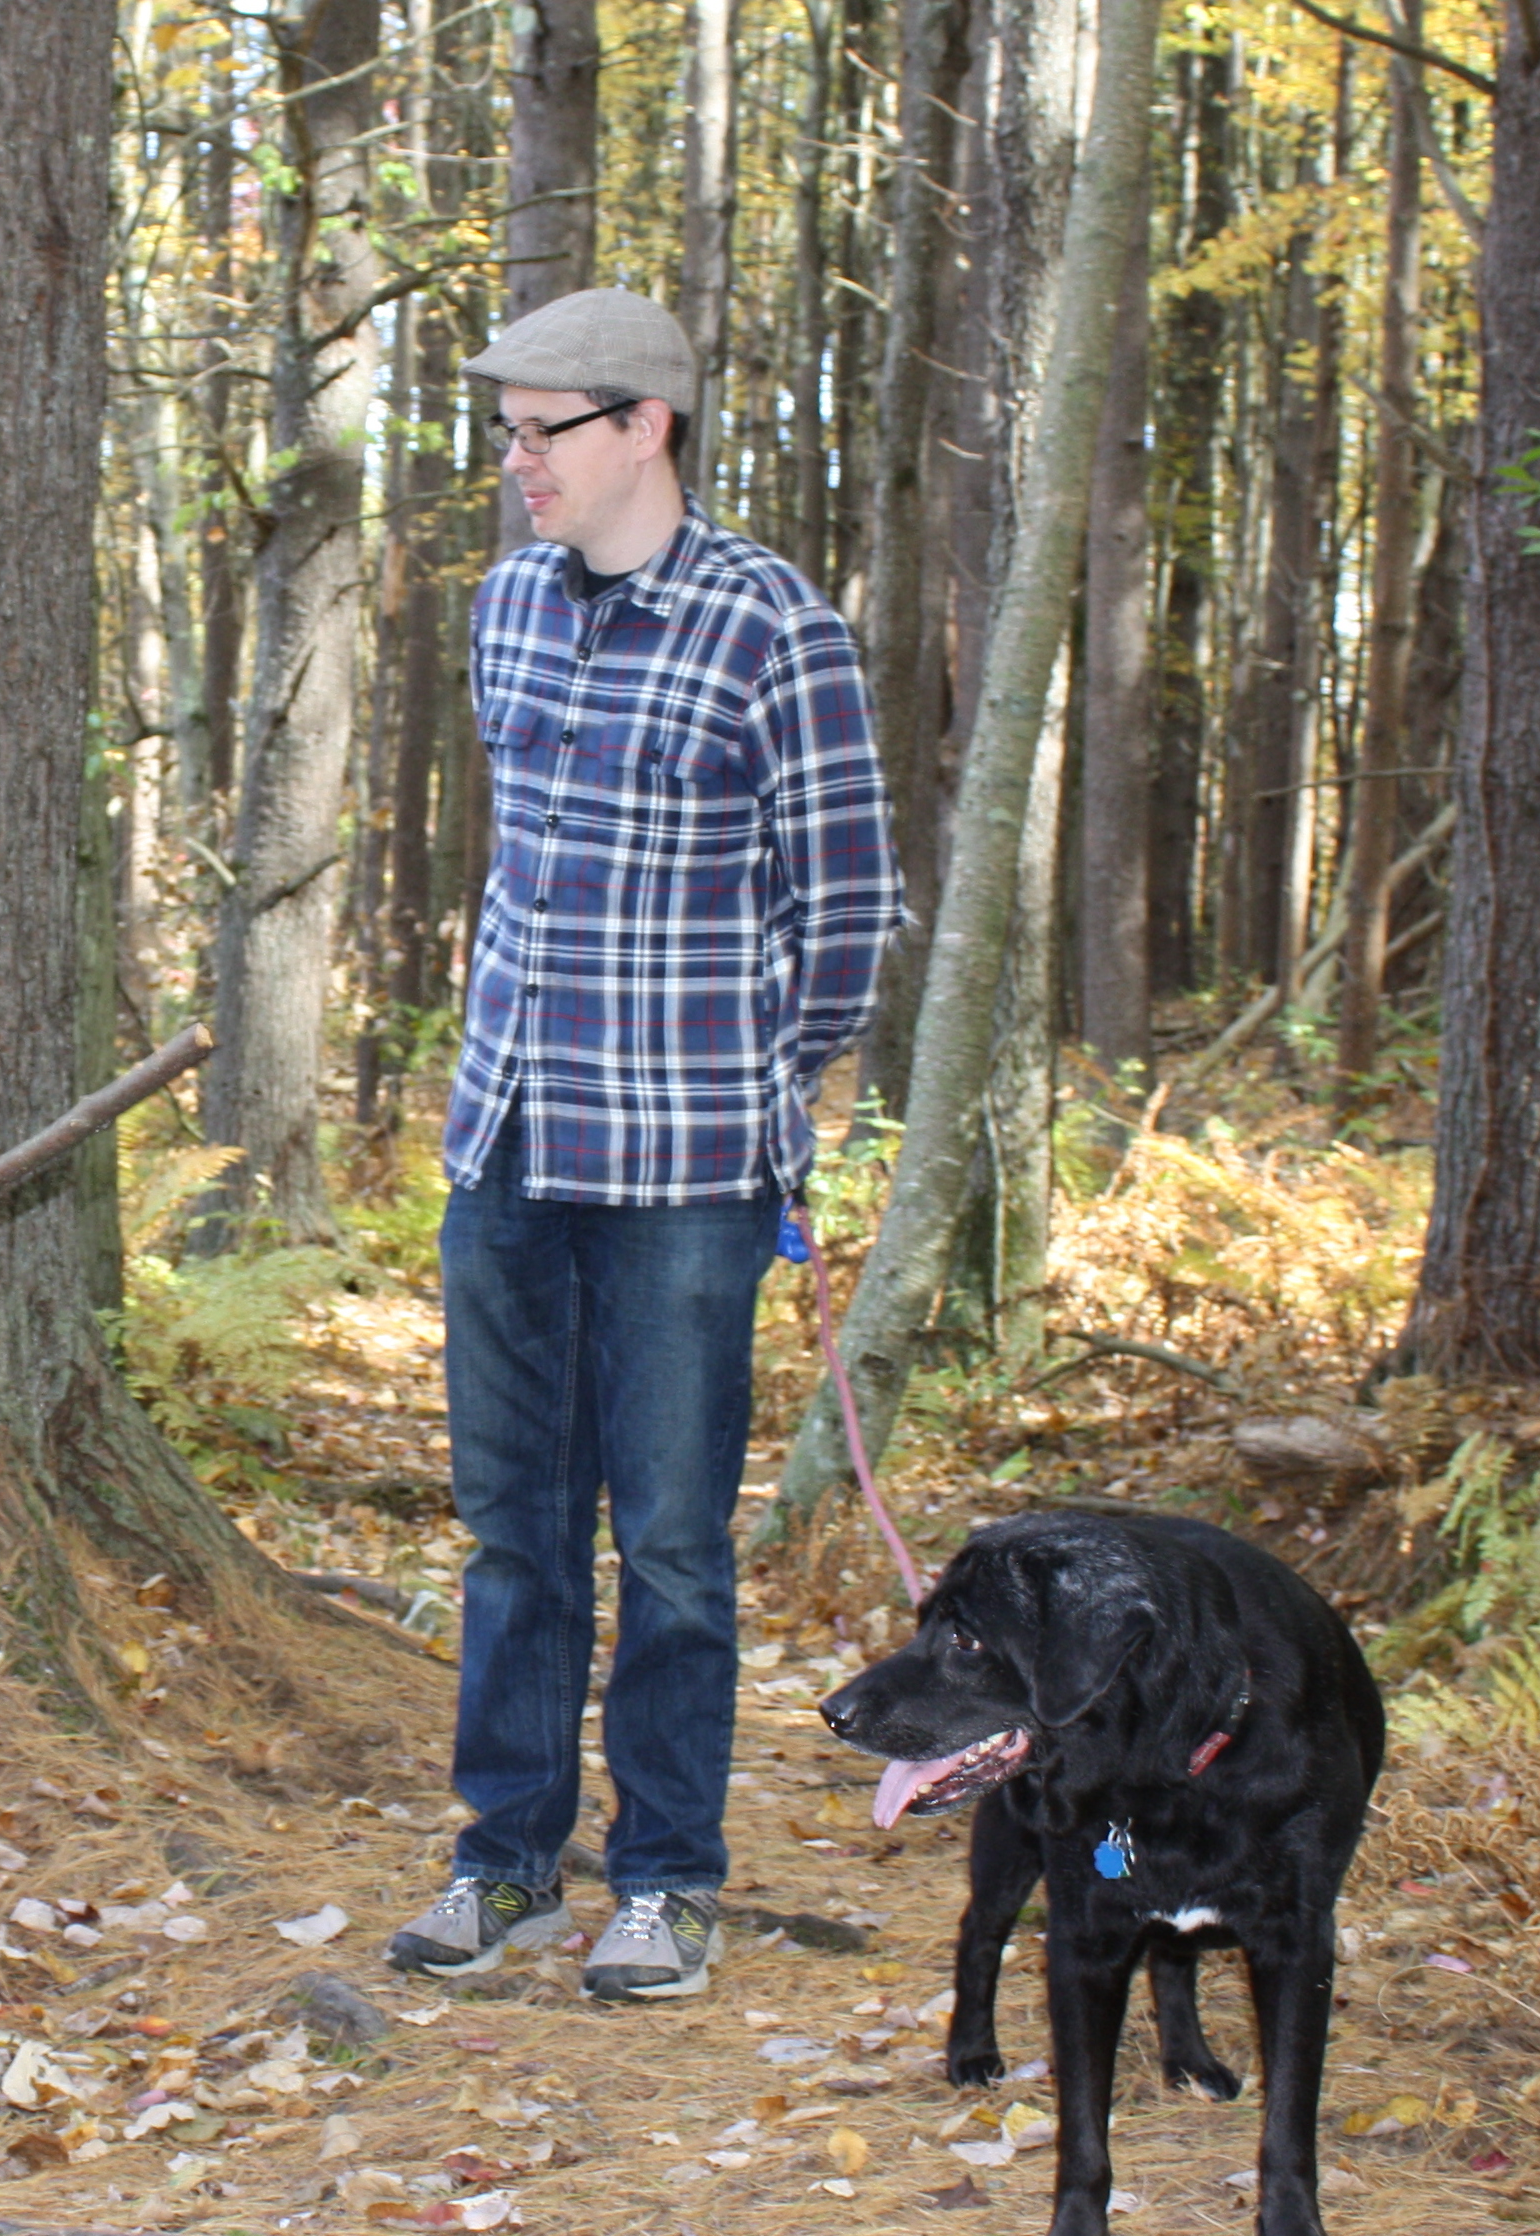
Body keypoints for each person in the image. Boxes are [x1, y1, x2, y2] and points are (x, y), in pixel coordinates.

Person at [385, 288, 902, 2004]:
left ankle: (668, 1877)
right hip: (509, 1146)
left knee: (672, 1543)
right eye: (507, 434)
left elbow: (846, 910)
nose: (516, 463)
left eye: (543, 432)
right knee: (513, 1532)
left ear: (645, 427)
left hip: (684, 1168)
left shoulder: (776, 630)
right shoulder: (509, 606)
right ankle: (506, 1859)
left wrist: (761, 1082)